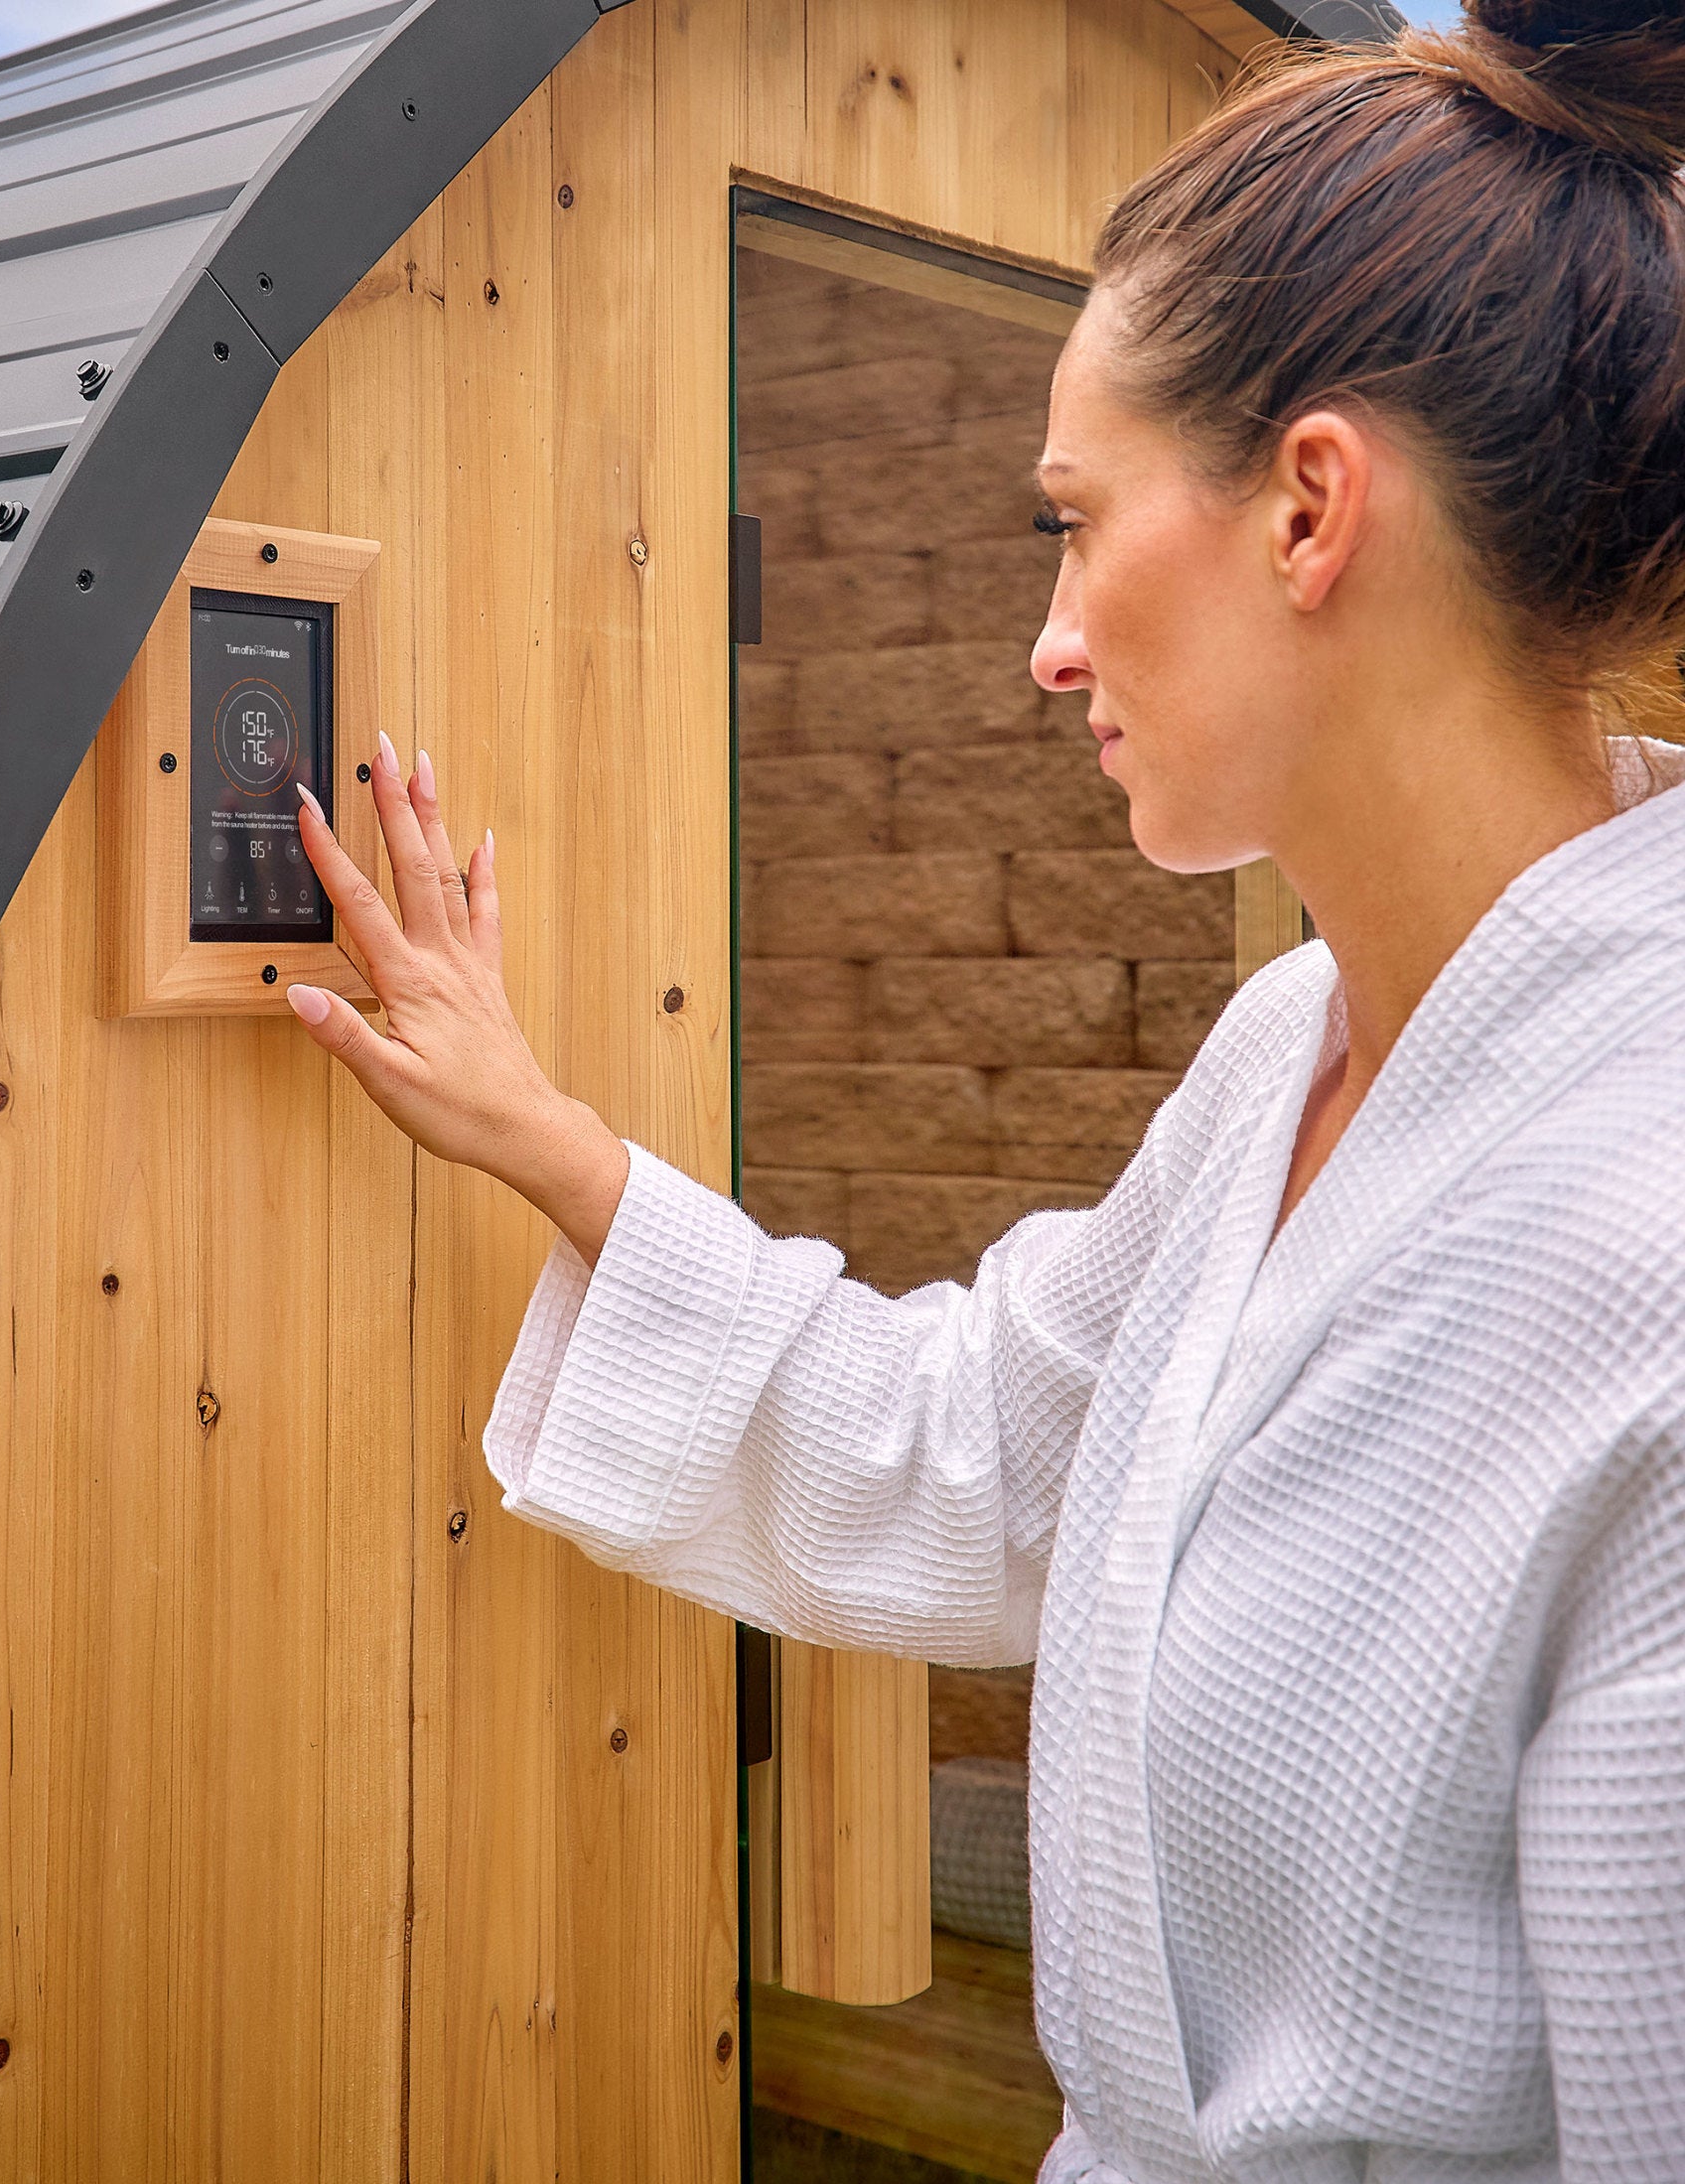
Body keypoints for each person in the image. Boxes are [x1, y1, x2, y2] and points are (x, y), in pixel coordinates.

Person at [283, 1, 1685, 2175]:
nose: (1045, 641)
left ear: (1310, 510)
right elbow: (986, 1447)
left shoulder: (1645, 1239)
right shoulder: (1281, 1054)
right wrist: (546, 1139)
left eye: (1070, 519)